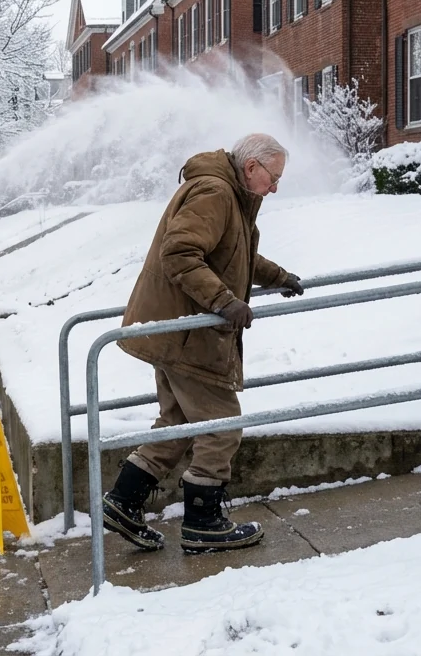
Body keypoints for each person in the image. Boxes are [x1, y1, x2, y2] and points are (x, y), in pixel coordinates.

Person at [102, 133, 305, 554]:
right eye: (274, 177)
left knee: (179, 424)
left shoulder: (229, 194)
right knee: (220, 426)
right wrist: (223, 301)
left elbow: (233, 255)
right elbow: (179, 254)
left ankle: (123, 501)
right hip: (188, 334)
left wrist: (278, 277)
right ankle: (203, 523)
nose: (275, 186)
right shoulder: (216, 193)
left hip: (175, 329)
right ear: (252, 168)